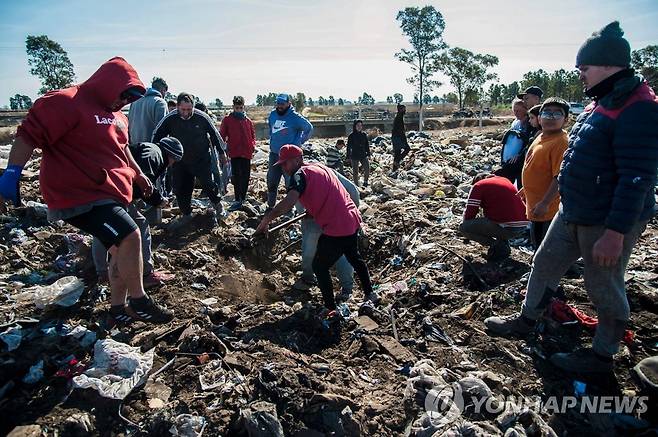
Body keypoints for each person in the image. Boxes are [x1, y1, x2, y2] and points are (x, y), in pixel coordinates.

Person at [484, 21, 658, 373]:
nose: (580, 74)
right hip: (573, 210)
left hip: (606, 218)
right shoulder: (602, 100)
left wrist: (615, 233)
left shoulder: (639, 107)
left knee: (603, 284)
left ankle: (601, 355)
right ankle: (526, 319)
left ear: (610, 65)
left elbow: (637, 177)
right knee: (544, 263)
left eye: (585, 68)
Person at [0, 57, 173, 324]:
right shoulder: (67, 101)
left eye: (129, 100)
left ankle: (118, 308)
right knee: (131, 235)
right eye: (122, 96)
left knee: (121, 249)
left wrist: (138, 175)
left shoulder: (117, 116)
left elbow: (122, 148)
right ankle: (140, 301)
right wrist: (12, 172)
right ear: (108, 85)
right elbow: (28, 134)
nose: (123, 103)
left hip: (111, 192)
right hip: (78, 193)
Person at [255, 145, 377, 316]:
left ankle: (331, 308)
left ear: (298, 160)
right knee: (354, 258)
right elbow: (329, 192)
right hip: (352, 219)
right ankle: (370, 293)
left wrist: (266, 220)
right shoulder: (318, 167)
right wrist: (312, 212)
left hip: (337, 225)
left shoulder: (299, 176)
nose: (283, 168)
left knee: (319, 266)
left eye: (285, 163)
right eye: (281, 164)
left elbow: (289, 202)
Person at [92, 138, 183, 287]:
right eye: (174, 160)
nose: (172, 164)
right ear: (172, 156)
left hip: (105, 186)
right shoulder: (154, 154)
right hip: (117, 190)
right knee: (140, 225)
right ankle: (146, 273)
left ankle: (101, 272)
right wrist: (158, 200)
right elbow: (144, 181)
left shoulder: (148, 148)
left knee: (102, 227)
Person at [152, 92, 228, 226]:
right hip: (180, 161)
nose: (186, 113)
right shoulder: (170, 118)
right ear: (177, 107)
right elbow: (156, 135)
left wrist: (222, 153)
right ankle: (186, 213)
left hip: (201, 159)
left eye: (189, 109)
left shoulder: (202, 117)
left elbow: (215, 135)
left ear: (193, 107)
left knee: (208, 184)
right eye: (183, 109)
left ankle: (218, 205)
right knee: (181, 189)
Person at [296, 169, 360, 301]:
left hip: (318, 219)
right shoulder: (327, 172)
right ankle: (347, 289)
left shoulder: (298, 178)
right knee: (342, 253)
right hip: (337, 219)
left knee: (310, 249)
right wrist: (352, 212)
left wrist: (305, 215)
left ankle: (308, 277)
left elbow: (298, 204)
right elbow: (353, 191)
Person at [519, 98, 570, 250]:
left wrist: (545, 203)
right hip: (536, 205)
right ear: (539, 118)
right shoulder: (541, 136)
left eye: (557, 114)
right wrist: (526, 188)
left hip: (549, 209)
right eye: (547, 113)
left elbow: (559, 177)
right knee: (538, 243)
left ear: (566, 120)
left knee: (546, 248)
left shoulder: (561, 142)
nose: (551, 118)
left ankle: (544, 273)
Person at [460, 173, 529, 262]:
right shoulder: (504, 180)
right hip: (523, 225)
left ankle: (497, 246)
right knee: (494, 219)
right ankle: (503, 244)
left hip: (508, 227)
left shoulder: (478, 185)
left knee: (464, 227)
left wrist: (468, 228)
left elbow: (470, 212)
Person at [266, 94, 313, 209]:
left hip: (290, 157)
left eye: (282, 104)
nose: (280, 106)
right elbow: (271, 129)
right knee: (271, 180)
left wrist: (300, 141)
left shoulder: (295, 117)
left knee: (290, 183)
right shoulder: (272, 115)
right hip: (274, 154)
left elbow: (309, 128)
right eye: (278, 103)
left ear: (288, 104)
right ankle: (270, 206)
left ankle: (290, 210)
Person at [220, 96, 256, 211]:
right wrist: (224, 150)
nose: (239, 110)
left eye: (241, 108)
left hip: (246, 153)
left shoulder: (248, 121)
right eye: (237, 108)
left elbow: (252, 136)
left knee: (245, 176)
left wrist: (253, 147)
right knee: (236, 176)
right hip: (235, 152)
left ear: (243, 107)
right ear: (233, 107)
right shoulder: (227, 120)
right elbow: (222, 135)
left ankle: (243, 198)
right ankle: (237, 198)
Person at [128, 76, 168, 143]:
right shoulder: (160, 102)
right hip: (150, 149)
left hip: (133, 147)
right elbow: (162, 130)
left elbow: (128, 123)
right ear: (163, 90)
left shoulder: (135, 101)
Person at [498, 99, 528, 186]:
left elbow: (528, 143)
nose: (516, 113)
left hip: (518, 162)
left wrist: (519, 155)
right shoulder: (515, 122)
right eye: (514, 110)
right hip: (507, 160)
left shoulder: (529, 125)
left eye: (518, 110)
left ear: (525, 110)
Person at [347, 119, 371, 187]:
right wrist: (348, 157)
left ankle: (365, 182)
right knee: (355, 172)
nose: (359, 127)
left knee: (367, 168)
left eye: (361, 125)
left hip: (363, 154)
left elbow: (367, 145)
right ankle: (356, 185)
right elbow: (348, 147)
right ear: (355, 126)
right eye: (358, 125)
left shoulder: (364, 135)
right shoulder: (351, 136)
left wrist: (368, 153)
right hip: (355, 155)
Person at [391, 104, 410, 172]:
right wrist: (404, 139)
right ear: (401, 110)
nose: (405, 110)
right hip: (398, 137)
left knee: (397, 152)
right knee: (407, 149)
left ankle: (394, 169)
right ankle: (396, 163)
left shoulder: (399, 116)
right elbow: (400, 130)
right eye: (404, 109)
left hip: (396, 137)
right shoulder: (399, 117)